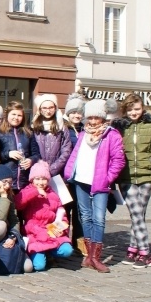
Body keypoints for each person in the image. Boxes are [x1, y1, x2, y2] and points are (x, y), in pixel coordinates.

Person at [64, 99, 125, 273]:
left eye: (96, 117)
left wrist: (107, 178)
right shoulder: (83, 133)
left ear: (103, 117)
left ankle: (96, 257)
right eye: (89, 117)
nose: (92, 121)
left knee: (99, 219)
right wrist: (70, 172)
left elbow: (118, 160)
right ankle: (88, 256)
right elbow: (76, 154)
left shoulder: (111, 134)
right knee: (85, 217)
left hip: (100, 182)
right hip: (81, 180)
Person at [114, 94, 151, 269]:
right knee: (136, 213)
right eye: (129, 109)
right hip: (126, 178)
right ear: (124, 110)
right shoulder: (120, 129)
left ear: (142, 109)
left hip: (146, 177)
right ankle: (144, 251)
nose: (133, 113)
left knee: (138, 215)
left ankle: (135, 250)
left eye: (136, 109)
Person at [15, 161, 74, 272]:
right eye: (37, 179)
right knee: (39, 266)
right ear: (32, 179)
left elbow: (62, 215)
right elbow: (18, 203)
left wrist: (61, 229)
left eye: (44, 179)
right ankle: (39, 254)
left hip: (51, 232)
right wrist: (35, 192)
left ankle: (49, 252)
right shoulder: (27, 191)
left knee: (67, 250)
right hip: (34, 233)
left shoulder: (54, 195)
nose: (41, 182)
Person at [0, 101, 40, 191]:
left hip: (24, 181)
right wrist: (8, 154)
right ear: (7, 115)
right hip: (6, 181)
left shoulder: (28, 133)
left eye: (19, 115)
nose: (16, 118)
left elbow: (37, 154)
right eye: (13, 114)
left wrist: (31, 160)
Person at [63, 93, 87, 255]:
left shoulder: (86, 129)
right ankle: (62, 242)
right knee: (64, 211)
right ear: (68, 113)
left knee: (80, 211)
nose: (76, 115)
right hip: (65, 177)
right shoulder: (63, 129)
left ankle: (79, 241)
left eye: (79, 112)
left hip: (81, 177)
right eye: (73, 112)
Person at [32, 94, 72, 178]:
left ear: (55, 108)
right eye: (44, 108)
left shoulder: (62, 127)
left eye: (51, 107)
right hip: (37, 173)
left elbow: (66, 150)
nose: (48, 111)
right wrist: (40, 168)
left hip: (56, 173)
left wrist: (53, 168)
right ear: (40, 109)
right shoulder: (33, 127)